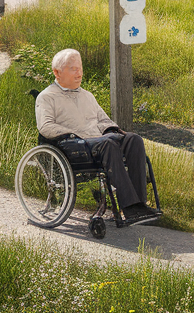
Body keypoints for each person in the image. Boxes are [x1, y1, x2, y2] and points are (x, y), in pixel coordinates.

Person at [36, 49, 160, 225]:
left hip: (99, 142)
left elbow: (103, 120)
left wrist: (113, 131)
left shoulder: (87, 95)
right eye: (73, 69)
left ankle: (139, 204)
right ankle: (130, 206)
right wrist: (75, 134)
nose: (79, 73)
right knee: (108, 144)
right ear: (57, 72)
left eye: (80, 68)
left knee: (134, 140)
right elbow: (45, 127)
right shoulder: (47, 97)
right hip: (73, 146)